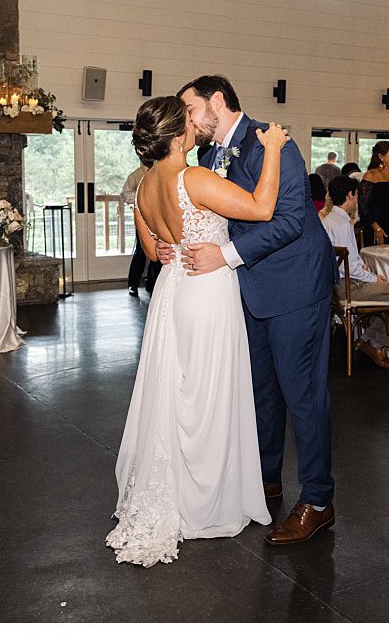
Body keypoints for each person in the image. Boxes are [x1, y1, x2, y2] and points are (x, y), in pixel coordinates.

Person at [152, 75, 337, 551]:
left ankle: (317, 501)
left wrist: (227, 255)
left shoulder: (275, 145)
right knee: (260, 394)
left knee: (302, 394)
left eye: (191, 109)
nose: (188, 120)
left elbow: (293, 221)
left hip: (294, 286)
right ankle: (266, 479)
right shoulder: (210, 155)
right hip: (245, 292)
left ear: (216, 101)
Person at [110, 93, 286, 566]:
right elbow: (263, 207)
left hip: (172, 291)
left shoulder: (146, 183)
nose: (194, 123)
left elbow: (151, 252)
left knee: (175, 390)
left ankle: (176, 486)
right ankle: (204, 497)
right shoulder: (194, 177)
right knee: (208, 394)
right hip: (207, 292)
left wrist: (170, 246)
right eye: (187, 118)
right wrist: (272, 148)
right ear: (177, 133)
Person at [320, 177, 389, 369]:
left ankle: (366, 340)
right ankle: (376, 343)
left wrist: (363, 269)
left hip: (337, 285)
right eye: (356, 195)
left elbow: (347, 260)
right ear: (350, 195)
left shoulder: (330, 220)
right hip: (347, 287)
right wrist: (374, 278)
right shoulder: (341, 224)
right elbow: (348, 266)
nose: (357, 200)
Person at [121, 163, 159, 296]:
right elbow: (124, 194)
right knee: (141, 251)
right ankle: (133, 283)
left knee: (159, 250)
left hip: (160, 217)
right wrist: (141, 197)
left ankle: (153, 282)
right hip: (143, 218)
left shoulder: (160, 171)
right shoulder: (136, 175)